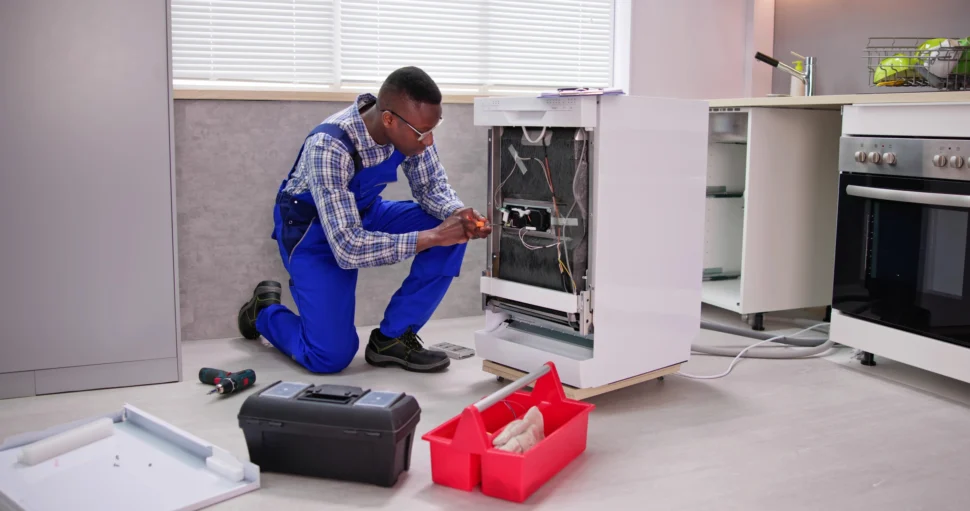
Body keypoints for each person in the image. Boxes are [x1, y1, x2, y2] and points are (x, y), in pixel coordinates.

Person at [236, 66, 491, 374]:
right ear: (388, 120)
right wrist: (434, 236)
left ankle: (392, 339)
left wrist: (456, 214)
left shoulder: (411, 129)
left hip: (365, 211)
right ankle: (264, 312)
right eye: (423, 133)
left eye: (433, 130)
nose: (428, 141)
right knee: (329, 356)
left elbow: (430, 186)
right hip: (312, 232)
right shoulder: (329, 146)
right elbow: (347, 247)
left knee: (452, 231)